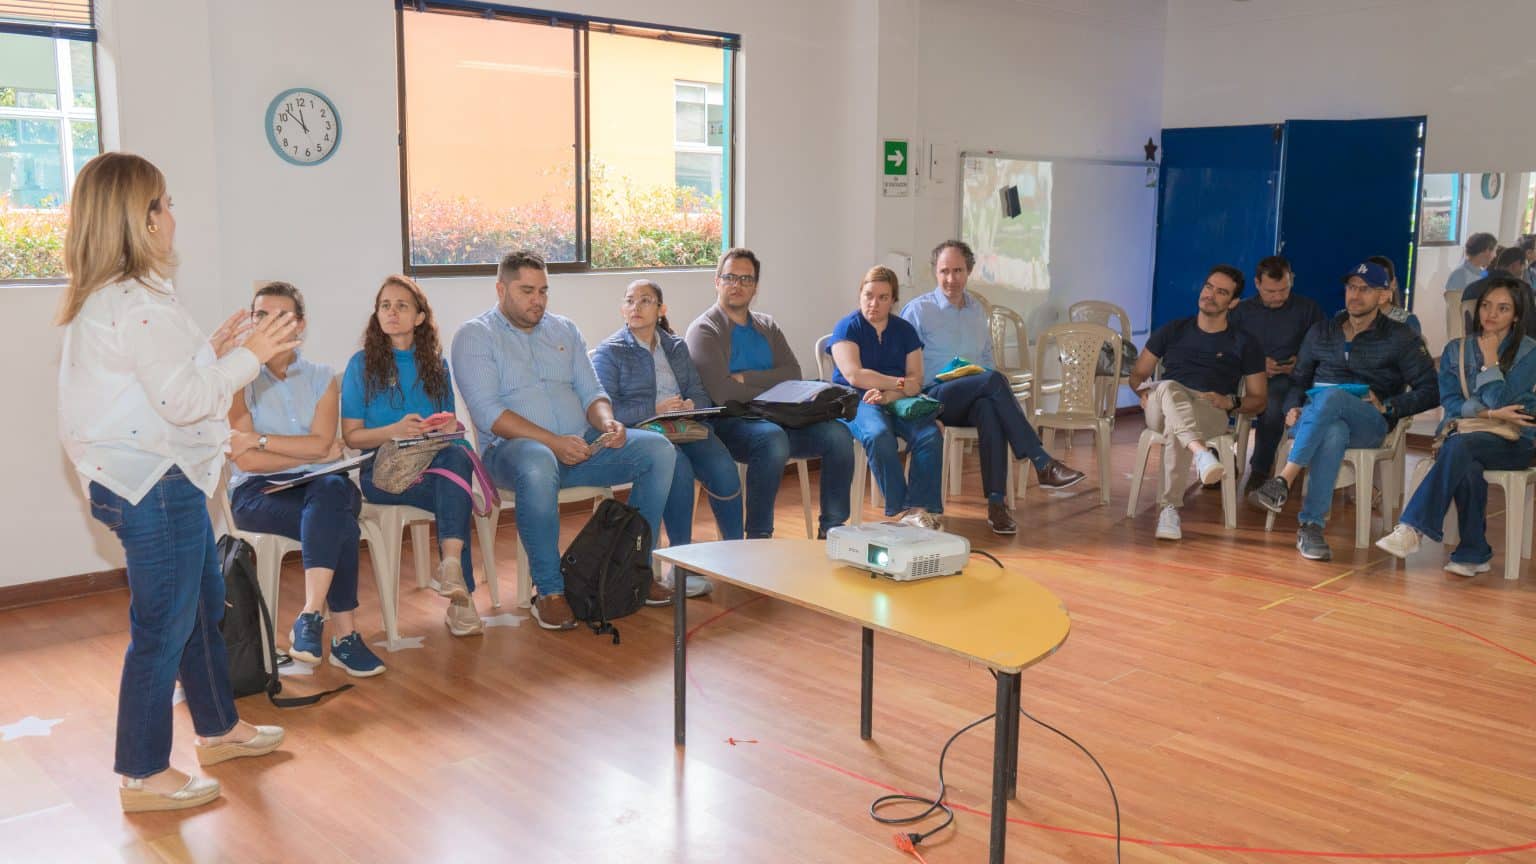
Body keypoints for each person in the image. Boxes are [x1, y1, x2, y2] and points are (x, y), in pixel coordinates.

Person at [56, 152, 293, 813]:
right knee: (163, 625)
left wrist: (212, 351)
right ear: (142, 219)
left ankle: (219, 728)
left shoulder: (124, 296)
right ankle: (143, 771)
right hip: (153, 485)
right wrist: (250, 357)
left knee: (201, 605)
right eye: (163, 203)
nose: (172, 214)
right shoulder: (134, 302)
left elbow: (154, 381)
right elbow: (184, 401)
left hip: (155, 478)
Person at [452, 251, 676, 630]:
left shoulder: (564, 330)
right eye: (526, 291)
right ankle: (550, 591)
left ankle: (630, 570)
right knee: (538, 461)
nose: (537, 300)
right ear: (501, 289)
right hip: (511, 455)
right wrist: (554, 443)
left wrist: (608, 423)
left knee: (658, 450)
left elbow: (592, 392)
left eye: (543, 291)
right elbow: (490, 414)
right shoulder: (474, 336)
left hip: (581, 446)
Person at [228, 282, 385, 678]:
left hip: (322, 484)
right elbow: (247, 459)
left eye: (281, 316)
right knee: (340, 521)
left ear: (300, 324)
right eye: (261, 315)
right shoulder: (236, 380)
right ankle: (344, 638)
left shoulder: (321, 377)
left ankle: (311, 614)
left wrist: (263, 440)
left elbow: (321, 448)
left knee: (330, 492)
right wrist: (306, 451)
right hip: (258, 493)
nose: (268, 324)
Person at [1247, 261, 1438, 561]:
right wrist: (1292, 407)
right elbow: (1298, 381)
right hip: (1313, 419)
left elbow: (1431, 390)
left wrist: (1389, 405)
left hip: (1369, 423)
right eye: (1351, 287)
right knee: (1333, 431)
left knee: (1333, 395)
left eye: (1365, 289)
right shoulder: (1322, 331)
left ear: (1384, 295)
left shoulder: (1400, 337)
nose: (1355, 295)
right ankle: (1311, 527)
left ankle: (1283, 479)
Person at [900, 240, 1085, 535]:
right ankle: (1041, 460)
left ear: (969, 271)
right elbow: (903, 366)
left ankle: (997, 505)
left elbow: (986, 359)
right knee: (993, 380)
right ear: (935, 272)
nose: (951, 279)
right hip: (934, 396)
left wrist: (982, 376)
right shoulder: (918, 311)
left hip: (971, 395)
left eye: (958, 271)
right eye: (944, 271)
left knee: (989, 407)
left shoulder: (977, 311)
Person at [340, 274, 484, 637]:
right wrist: (394, 430)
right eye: (385, 306)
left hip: (431, 463)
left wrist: (444, 425)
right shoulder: (361, 365)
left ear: (419, 317)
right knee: (456, 493)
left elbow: (450, 427)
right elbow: (352, 436)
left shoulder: (436, 364)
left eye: (401, 306)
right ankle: (461, 598)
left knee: (457, 459)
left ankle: (451, 567)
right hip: (381, 472)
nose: (391, 312)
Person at [685, 248, 855, 539]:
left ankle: (833, 531)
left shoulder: (767, 326)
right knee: (772, 440)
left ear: (755, 287)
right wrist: (771, 385)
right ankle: (759, 537)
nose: (737, 285)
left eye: (746, 279)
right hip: (731, 423)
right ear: (717, 281)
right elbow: (724, 393)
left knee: (838, 435)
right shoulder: (704, 330)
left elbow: (793, 373)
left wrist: (746, 378)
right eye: (729, 277)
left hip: (780, 417)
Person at [592, 279, 743, 598]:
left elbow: (699, 393)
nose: (635, 307)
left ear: (661, 310)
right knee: (679, 468)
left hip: (682, 425)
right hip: (643, 432)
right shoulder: (610, 352)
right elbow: (606, 408)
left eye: (645, 300)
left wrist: (691, 405)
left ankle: (737, 555)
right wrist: (655, 409)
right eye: (629, 300)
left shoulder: (675, 347)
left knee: (723, 467)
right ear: (622, 309)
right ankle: (680, 564)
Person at [1376, 278, 1536, 575]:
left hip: (1516, 441)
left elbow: (1501, 398)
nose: (1491, 314)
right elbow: (1450, 402)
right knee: (1466, 460)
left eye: (1503, 308)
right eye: (1486, 305)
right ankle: (1473, 552)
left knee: (1461, 447)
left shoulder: (1530, 352)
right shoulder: (1456, 349)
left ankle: (1413, 527)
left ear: (1516, 315)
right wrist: (1490, 414)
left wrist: (1490, 362)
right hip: (1467, 434)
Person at [1128, 264, 1267, 540]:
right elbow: (1137, 374)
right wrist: (1142, 392)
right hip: (1161, 405)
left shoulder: (1245, 342)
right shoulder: (1173, 329)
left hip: (1209, 408)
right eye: (1208, 287)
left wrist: (1231, 402)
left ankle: (1170, 508)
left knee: (1177, 426)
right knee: (1167, 387)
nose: (1210, 295)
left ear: (1233, 302)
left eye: (1221, 292)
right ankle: (1202, 455)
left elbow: (1259, 400)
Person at [827, 266, 944, 528]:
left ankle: (919, 508)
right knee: (878, 434)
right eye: (869, 295)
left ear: (893, 300)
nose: (874, 303)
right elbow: (855, 375)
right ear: (860, 294)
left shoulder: (905, 330)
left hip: (898, 398)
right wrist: (897, 383)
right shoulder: (847, 327)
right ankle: (903, 507)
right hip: (856, 399)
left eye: (883, 297)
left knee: (929, 434)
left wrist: (890, 394)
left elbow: (916, 379)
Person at [1229, 256, 1325, 493]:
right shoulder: (1242, 312)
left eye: (1284, 289)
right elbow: (1228, 347)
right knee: (1258, 401)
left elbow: (1322, 346)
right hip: (1249, 376)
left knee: (1274, 404)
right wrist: (1257, 364)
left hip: (1291, 377)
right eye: (1271, 292)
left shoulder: (1307, 309)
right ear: (1257, 284)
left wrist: (1300, 362)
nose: (1278, 297)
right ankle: (1248, 466)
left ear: (1291, 280)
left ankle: (1265, 469)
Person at [1365, 255, 1420, 336]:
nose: (1377, 288)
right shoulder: (1350, 318)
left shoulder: (1407, 321)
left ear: (1393, 284)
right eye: (1371, 281)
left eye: (1383, 280)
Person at [1443, 232, 1497, 296]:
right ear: (1486, 250)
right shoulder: (1459, 274)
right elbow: (1454, 301)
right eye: (1494, 251)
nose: (1495, 255)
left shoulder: (1484, 272)